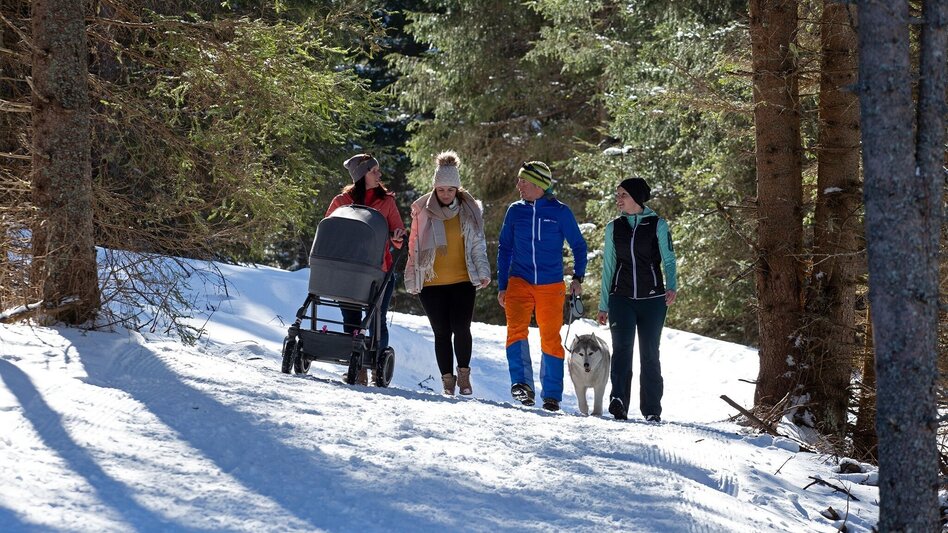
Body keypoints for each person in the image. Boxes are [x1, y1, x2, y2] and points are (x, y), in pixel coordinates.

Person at [497, 161, 588, 412]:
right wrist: (502, 285)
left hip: (551, 284)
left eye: (523, 181)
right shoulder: (515, 211)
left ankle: (551, 395)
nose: (519, 185)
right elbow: (504, 248)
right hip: (519, 280)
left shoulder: (560, 212)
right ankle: (522, 385)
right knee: (516, 330)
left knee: (550, 337)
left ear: (538, 184)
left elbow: (579, 246)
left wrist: (578, 276)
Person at [404, 151, 491, 396]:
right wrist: (412, 278)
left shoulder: (469, 210)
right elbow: (414, 245)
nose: (445, 194)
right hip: (432, 282)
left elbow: (477, 245)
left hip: (462, 280)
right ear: (435, 189)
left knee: (461, 328)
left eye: (450, 190)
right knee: (441, 332)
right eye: (441, 190)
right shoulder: (422, 210)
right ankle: (447, 381)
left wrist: (483, 271)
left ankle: (463, 376)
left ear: (457, 189)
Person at [596, 177, 677, 422]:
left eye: (623, 195)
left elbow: (669, 259)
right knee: (621, 350)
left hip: (653, 300)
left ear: (637, 198)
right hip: (621, 298)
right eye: (617, 194)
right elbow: (608, 266)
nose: (618, 199)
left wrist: (671, 286)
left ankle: (652, 409)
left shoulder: (658, 225)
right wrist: (603, 303)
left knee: (650, 353)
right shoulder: (614, 227)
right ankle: (618, 400)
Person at [325, 153, 406, 385]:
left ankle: (377, 368)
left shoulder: (386, 201)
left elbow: (397, 234)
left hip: (378, 270)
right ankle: (357, 365)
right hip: (348, 269)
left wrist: (397, 237)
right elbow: (329, 231)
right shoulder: (341, 202)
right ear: (362, 176)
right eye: (374, 171)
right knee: (351, 316)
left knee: (376, 319)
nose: (379, 175)